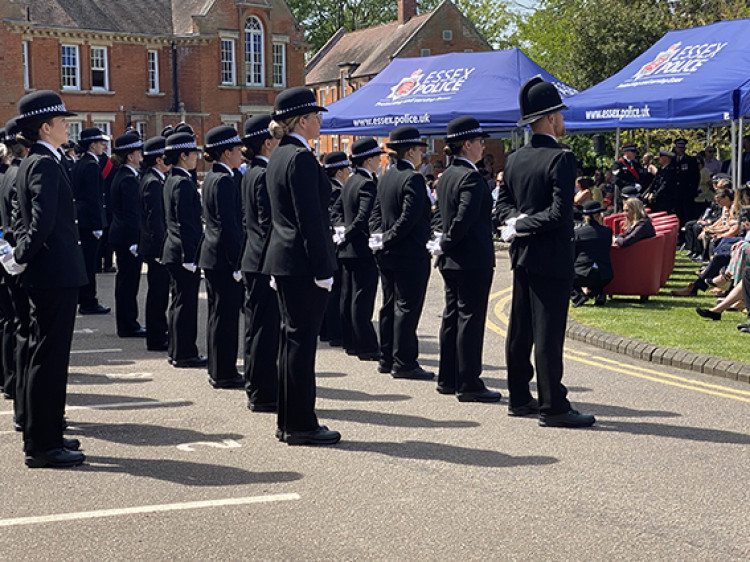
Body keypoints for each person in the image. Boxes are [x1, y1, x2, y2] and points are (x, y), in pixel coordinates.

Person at [494, 76, 595, 428]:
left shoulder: (515, 158)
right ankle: (553, 405)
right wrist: (523, 223)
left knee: (520, 330)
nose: (563, 121)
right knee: (548, 334)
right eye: (560, 115)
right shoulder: (562, 159)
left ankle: (520, 396)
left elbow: (502, 205)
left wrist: (516, 222)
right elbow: (558, 214)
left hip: (522, 256)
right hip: (551, 257)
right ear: (551, 117)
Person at [7, 91, 87, 467]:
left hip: (51, 272)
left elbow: (24, 219)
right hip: (53, 273)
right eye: (62, 121)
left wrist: (19, 256)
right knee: (49, 358)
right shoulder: (43, 164)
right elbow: (39, 223)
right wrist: (21, 257)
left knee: (50, 356)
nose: (67, 126)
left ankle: (48, 433)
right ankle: (42, 444)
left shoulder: (38, 161)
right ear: (45, 127)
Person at [263, 86, 340, 446]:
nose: (320, 122)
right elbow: (310, 219)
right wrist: (323, 269)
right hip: (302, 263)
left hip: (285, 260)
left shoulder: (280, 155)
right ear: (303, 120)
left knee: (291, 341)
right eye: (316, 116)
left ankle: (288, 420)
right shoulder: (301, 158)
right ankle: (301, 423)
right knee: (301, 345)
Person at [430, 116, 499, 403]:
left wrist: (441, 242)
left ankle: (448, 377)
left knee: (452, 317)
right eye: (480, 142)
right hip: (471, 258)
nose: (483, 147)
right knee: (470, 319)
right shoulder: (470, 177)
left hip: (452, 259)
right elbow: (465, 218)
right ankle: (469, 381)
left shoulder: (447, 176)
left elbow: (441, 216)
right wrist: (447, 240)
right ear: (467, 144)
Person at [369, 126, 434, 380]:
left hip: (387, 252)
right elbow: (410, 217)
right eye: (419, 149)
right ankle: (404, 361)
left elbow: (376, 212)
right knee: (407, 307)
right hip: (409, 252)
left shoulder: (385, 176)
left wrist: (379, 236)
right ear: (409, 151)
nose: (422, 155)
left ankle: (386, 357)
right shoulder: (413, 178)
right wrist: (388, 237)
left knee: (389, 304)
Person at [197, 125, 245, 389]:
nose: (241, 153)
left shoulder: (214, 177)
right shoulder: (225, 180)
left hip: (212, 254)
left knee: (217, 316)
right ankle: (225, 372)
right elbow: (230, 226)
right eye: (237, 149)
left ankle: (217, 369)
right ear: (226, 152)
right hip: (223, 257)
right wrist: (237, 261)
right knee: (225, 317)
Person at [239, 114, 280, 412]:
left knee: (255, 327)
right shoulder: (264, 174)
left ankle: (256, 387)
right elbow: (267, 224)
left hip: (252, 257)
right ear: (268, 143)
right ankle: (264, 393)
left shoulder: (249, 172)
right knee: (265, 330)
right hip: (263, 261)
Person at [161, 132, 208, 369]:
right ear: (183, 155)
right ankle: (184, 352)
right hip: (182, 252)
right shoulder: (182, 183)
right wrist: (190, 256)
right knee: (184, 305)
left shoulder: (171, 179)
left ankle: (176, 350)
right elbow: (186, 223)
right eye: (193, 153)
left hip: (174, 249)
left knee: (179, 302)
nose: (196, 158)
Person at [333, 137, 382, 362]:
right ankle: (366, 345)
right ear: (369, 160)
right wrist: (349, 233)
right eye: (377, 157)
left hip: (347, 249)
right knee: (362, 299)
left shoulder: (350, 182)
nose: (380, 161)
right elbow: (365, 217)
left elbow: (335, 212)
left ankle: (351, 341)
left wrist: (341, 231)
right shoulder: (366, 183)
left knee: (348, 296)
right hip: (361, 248)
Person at [109, 131, 146, 338]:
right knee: (128, 283)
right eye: (138, 151)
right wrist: (135, 240)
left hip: (122, 234)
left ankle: (128, 322)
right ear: (130, 155)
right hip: (127, 236)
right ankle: (128, 324)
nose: (141, 155)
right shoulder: (128, 179)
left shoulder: (126, 175)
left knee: (127, 281)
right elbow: (132, 213)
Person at [71, 127, 110, 315]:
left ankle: (85, 297)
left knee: (86, 262)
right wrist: (97, 224)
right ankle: (89, 300)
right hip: (89, 220)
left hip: (82, 218)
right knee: (90, 263)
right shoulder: (91, 165)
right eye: (101, 143)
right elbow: (94, 197)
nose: (104, 146)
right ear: (92, 145)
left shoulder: (80, 163)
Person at [138, 136, 171, 351]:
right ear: (159, 160)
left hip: (154, 245)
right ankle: (156, 336)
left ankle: (159, 332)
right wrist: (161, 248)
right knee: (158, 293)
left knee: (160, 291)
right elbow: (155, 220)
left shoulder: (154, 179)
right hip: (155, 247)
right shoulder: (152, 182)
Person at [319, 151, 350, 348]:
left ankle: (325, 330)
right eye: (346, 169)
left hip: (327, 242)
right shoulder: (337, 191)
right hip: (335, 243)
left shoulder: (324, 187)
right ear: (339, 172)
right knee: (336, 289)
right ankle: (333, 331)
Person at [571, 200, 614, 307]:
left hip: (582, 274)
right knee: (596, 274)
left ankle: (578, 296)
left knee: (565, 275)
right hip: (605, 275)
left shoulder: (577, 233)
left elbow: (573, 254)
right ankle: (599, 293)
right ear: (599, 215)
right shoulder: (607, 232)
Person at [673, 138, 700, 229]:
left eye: (682, 147)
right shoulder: (672, 160)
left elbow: (696, 176)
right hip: (675, 193)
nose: (680, 149)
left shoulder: (691, 160)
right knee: (677, 214)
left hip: (687, 192)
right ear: (675, 148)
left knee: (687, 214)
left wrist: (693, 190)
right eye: (678, 147)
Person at [611, 144, 644, 212]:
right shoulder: (618, 164)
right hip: (625, 195)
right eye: (633, 152)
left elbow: (641, 175)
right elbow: (617, 180)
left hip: (636, 195)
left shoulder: (635, 163)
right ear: (626, 153)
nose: (635, 154)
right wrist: (632, 185)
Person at [643, 149, 677, 213]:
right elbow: (654, 182)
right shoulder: (661, 169)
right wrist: (649, 193)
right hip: (656, 200)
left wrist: (655, 195)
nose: (659, 159)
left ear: (666, 158)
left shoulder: (671, 171)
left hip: (665, 200)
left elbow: (665, 185)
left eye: (660, 157)